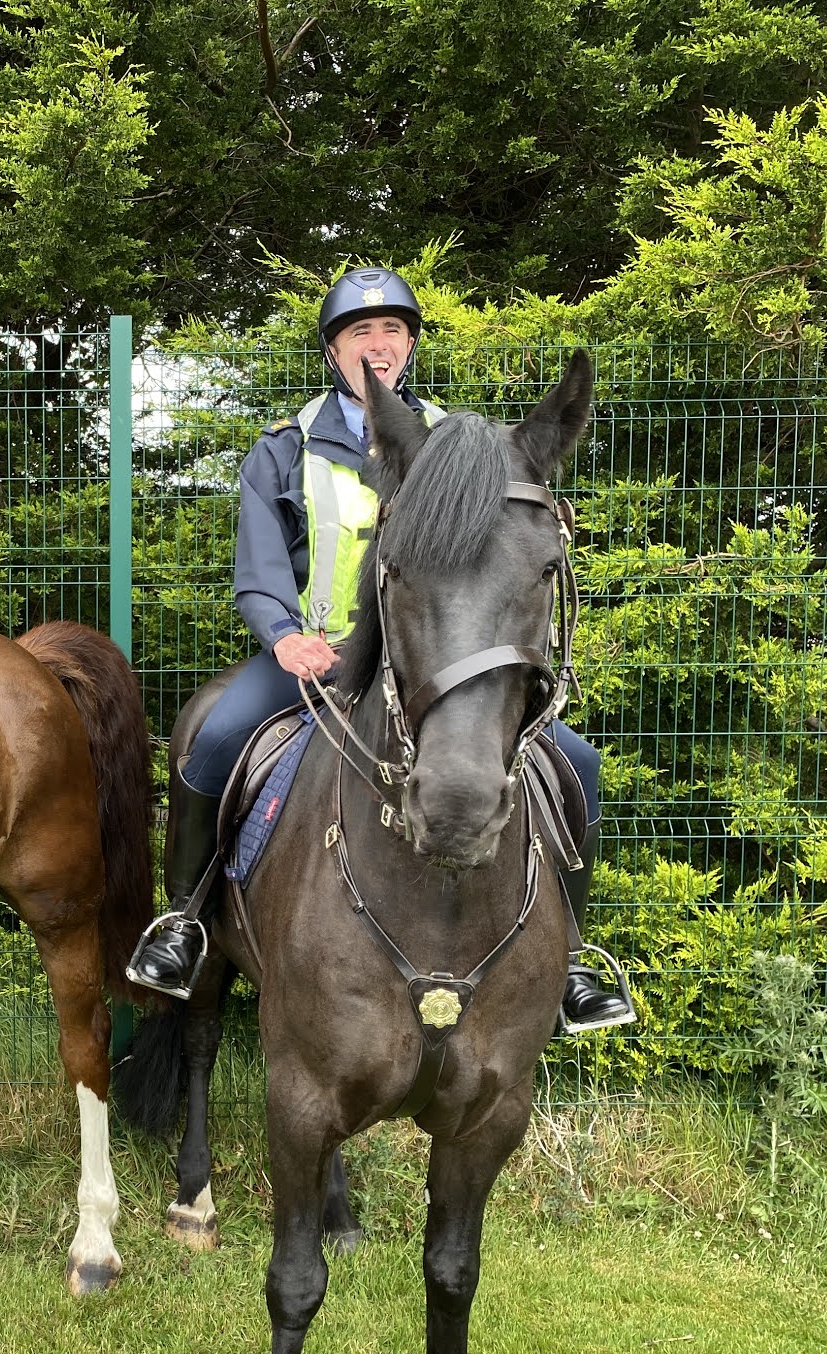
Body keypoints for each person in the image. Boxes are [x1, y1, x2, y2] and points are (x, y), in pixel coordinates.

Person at [125, 266, 635, 1032]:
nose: (378, 343)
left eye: (392, 330)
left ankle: (570, 960)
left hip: (428, 661)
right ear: (334, 352)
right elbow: (258, 572)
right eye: (360, 332)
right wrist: (285, 637)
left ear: (411, 345)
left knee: (580, 765)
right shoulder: (285, 448)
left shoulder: (463, 445)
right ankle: (187, 922)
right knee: (216, 742)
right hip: (316, 657)